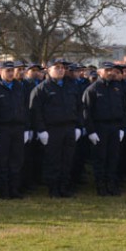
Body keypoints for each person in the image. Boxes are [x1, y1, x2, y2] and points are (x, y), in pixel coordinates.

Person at [29, 58, 83, 198]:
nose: (60, 70)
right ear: (48, 69)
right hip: (52, 130)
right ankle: (53, 189)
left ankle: (64, 188)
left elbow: (79, 108)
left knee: (67, 160)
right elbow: (36, 112)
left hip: (69, 128)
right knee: (53, 161)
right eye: (57, 67)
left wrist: (78, 126)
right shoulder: (41, 89)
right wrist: (41, 130)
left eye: (62, 68)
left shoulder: (71, 86)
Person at [0, 61, 29, 199]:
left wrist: (26, 128)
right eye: (7, 71)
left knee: (17, 161)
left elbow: (25, 109)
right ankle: (4, 191)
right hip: (1, 129)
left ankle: (14, 189)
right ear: (0, 72)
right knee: (2, 161)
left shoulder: (19, 88)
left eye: (12, 70)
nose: (10, 73)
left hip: (18, 129)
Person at [83, 62, 126, 196]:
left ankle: (111, 184)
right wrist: (91, 131)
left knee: (113, 158)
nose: (111, 72)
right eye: (107, 70)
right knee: (100, 158)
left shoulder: (118, 88)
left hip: (114, 127)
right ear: (100, 72)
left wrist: (122, 128)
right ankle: (101, 186)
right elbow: (86, 112)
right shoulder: (92, 89)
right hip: (99, 127)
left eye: (112, 70)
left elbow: (124, 109)